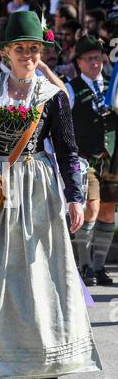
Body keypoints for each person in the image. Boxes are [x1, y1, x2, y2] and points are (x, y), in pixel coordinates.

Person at [0, 11, 102, 379]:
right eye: (20, 48)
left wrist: (74, 197)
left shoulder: (52, 95)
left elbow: (68, 151)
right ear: (6, 52)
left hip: (39, 191)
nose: (27, 54)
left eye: (34, 49)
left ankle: (41, 369)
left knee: (39, 278)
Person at [66, 35, 118, 287]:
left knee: (108, 211)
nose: (95, 63)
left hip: (111, 157)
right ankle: (85, 265)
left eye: (98, 57)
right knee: (91, 209)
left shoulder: (113, 85)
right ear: (79, 62)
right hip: (85, 159)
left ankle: (99, 267)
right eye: (90, 59)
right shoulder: (71, 88)